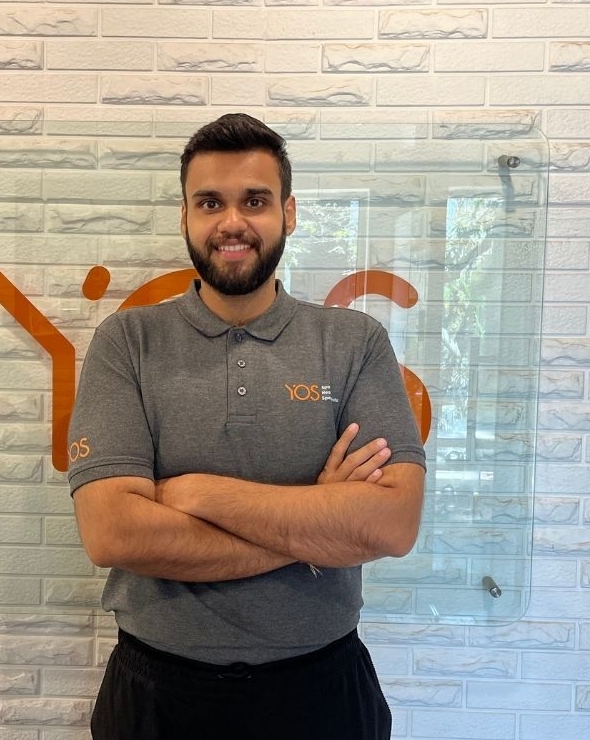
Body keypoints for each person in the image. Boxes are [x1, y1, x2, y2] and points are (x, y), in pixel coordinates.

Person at [68, 113, 426, 740]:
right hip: (156, 697)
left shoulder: (355, 342)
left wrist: (199, 494)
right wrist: (317, 521)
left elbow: (392, 524)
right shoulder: (127, 342)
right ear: (185, 217)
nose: (232, 222)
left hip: (323, 692)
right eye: (210, 202)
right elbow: (112, 533)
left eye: (254, 201)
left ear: (289, 213)